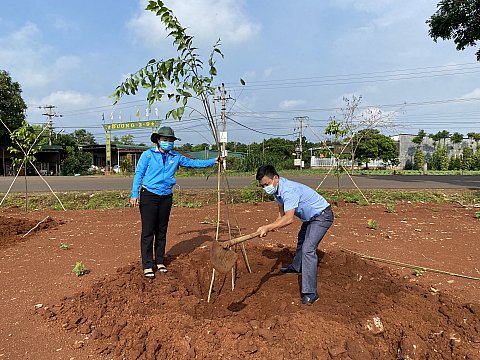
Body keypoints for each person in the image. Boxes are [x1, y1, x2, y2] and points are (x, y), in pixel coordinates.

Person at [130, 126, 220, 279]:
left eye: (170, 140)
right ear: (158, 140)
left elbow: (194, 163)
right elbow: (139, 173)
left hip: (166, 196)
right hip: (149, 195)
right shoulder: (148, 155)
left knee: (162, 230)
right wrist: (134, 193)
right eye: (165, 140)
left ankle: (159, 261)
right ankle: (147, 264)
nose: (168, 143)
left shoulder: (175, 156)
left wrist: (213, 161)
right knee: (148, 231)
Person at [255, 164, 334, 304]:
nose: (265, 188)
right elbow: (282, 214)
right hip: (310, 218)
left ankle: (311, 293)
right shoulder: (277, 190)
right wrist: (271, 227)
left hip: (322, 216)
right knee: (301, 239)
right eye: (262, 186)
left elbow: (289, 218)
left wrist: (268, 227)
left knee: (308, 249)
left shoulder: (288, 190)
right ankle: (296, 267)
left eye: (266, 184)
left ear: (275, 178)